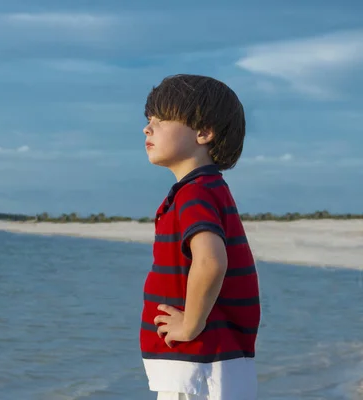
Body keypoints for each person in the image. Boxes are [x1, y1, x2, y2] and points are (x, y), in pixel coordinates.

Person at [140, 74, 261, 400]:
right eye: (148, 120)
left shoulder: (196, 193)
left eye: (161, 119)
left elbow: (210, 261)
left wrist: (190, 326)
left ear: (203, 132)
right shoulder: (203, 189)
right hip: (209, 365)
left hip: (196, 363)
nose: (147, 128)